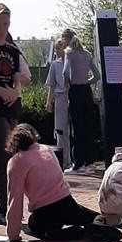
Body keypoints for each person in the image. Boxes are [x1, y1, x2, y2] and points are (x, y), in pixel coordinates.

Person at [5, 123, 122, 242]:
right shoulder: (46, 150)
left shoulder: (16, 162)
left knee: (34, 224)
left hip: (44, 210)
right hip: (66, 201)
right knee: (92, 216)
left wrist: (12, 235)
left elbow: (15, 199)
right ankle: (96, 224)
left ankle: (70, 232)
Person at [0, 2, 30, 225]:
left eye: (5, 23)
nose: (1, 28)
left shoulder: (12, 50)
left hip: (12, 106)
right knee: (4, 158)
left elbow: (24, 76)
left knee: (5, 159)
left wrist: (14, 86)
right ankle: (4, 209)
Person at [64, 32, 102, 172]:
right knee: (88, 127)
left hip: (75, 91)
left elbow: (66, 71)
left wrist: (68, 81)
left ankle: (78, 163)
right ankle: (90, 162)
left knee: (78, 128)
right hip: (86, 91)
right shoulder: (86, 54)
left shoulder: (69, 53)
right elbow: (97, 76)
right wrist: (87, 81)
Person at [45, 35, 74, 172]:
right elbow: (51, 85)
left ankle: (77, 160)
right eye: (55, 48)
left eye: (59, 48)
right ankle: (64, 160)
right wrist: (48, 103)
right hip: (60, 97)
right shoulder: (55, 65)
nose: (57, 51)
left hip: (73, 96)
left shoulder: (72, 61)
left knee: (74, 130)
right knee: (61, 130)